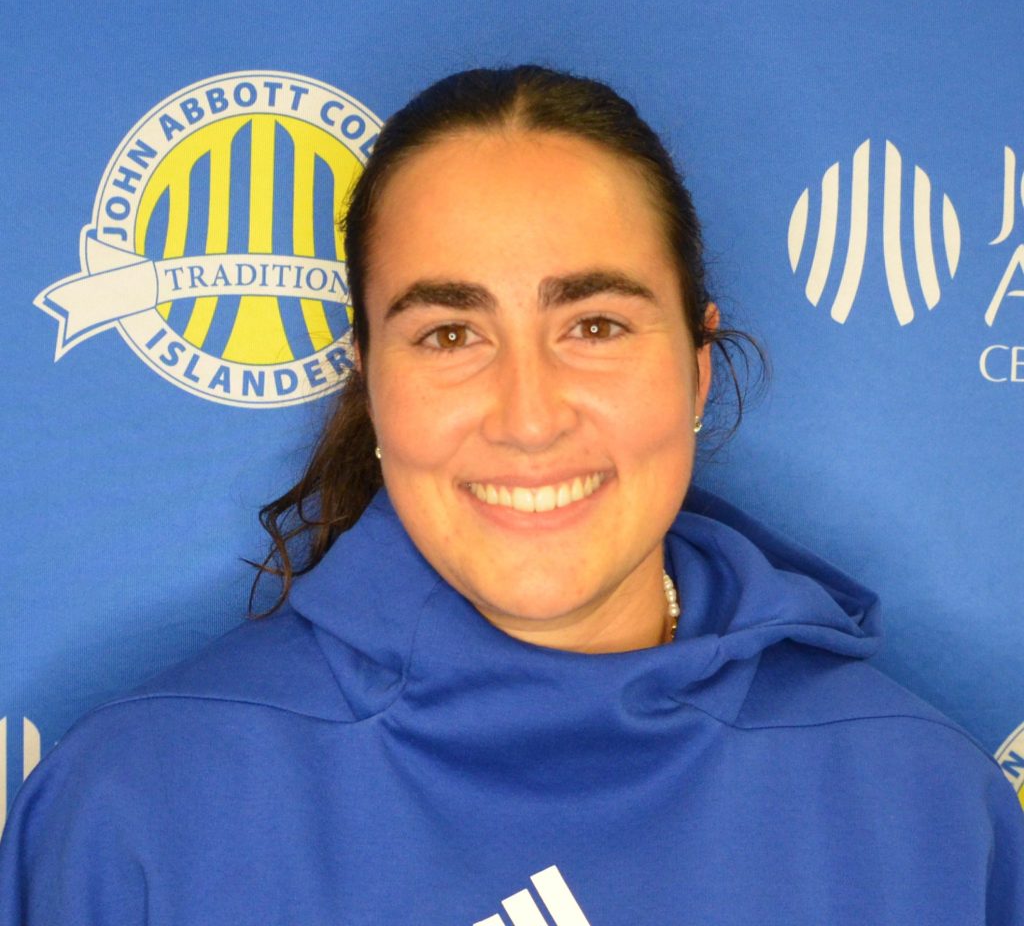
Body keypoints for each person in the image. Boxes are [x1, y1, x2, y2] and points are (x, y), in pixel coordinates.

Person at [1, 65, 1021, 924]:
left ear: (696, 369)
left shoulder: (925, 812)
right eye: (450, 334)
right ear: (369, 378)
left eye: (595, 325)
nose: (528, 417)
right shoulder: (136, 811)